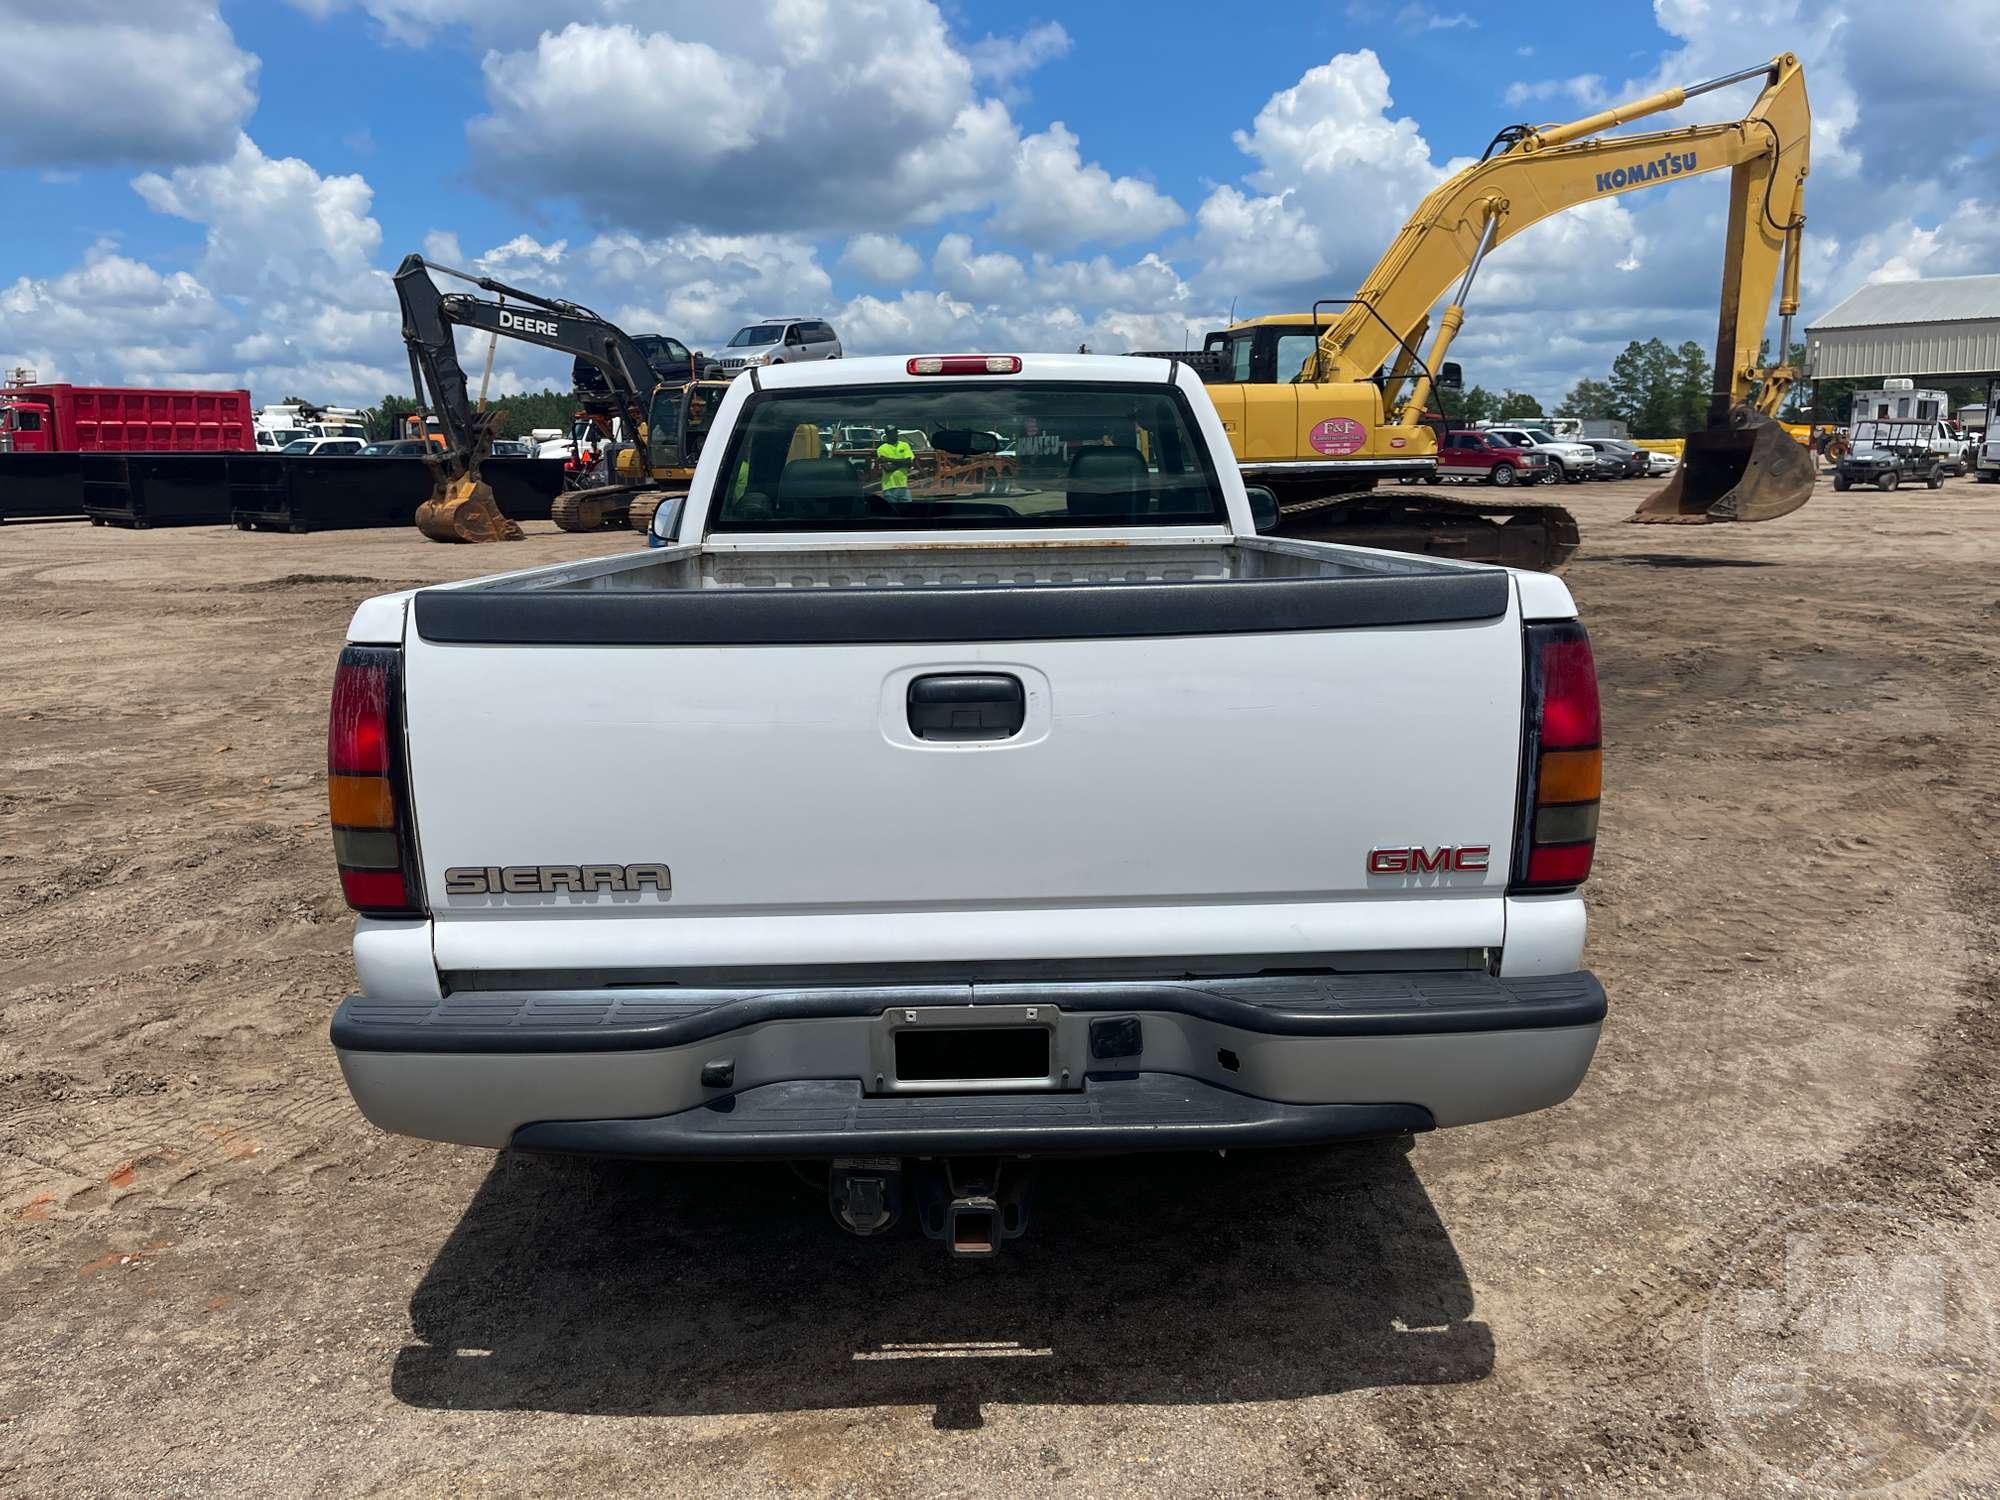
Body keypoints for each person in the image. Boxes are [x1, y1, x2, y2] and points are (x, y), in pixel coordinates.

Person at [876, 424, 914, 502]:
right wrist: (903, 463)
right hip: (889, 487)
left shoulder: (904, 445)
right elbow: (888, 468)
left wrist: (888, 459)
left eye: (896, 432)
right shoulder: (881, 449)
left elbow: (909, 462)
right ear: (887, 435)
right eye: (892, 433)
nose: (895, 435)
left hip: (903, 486)